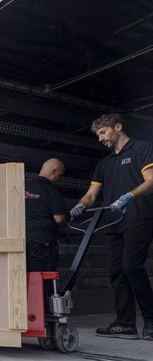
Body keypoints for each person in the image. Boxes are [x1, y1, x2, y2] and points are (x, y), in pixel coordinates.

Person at [70, 113, 153, 341]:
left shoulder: (141, 149)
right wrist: (79, 206)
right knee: (116, 272)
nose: (100, 138)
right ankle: (125, 324)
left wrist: (129, 196)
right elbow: (91, 195)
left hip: (138, 216)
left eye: (103, 132)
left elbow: (151, 179)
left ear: (118, 127)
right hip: (112, 222)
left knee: (131, 266)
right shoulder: (104, 164)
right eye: (98, 135)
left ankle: (151, 320)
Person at [25, 158, 68, 272]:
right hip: (42, 242)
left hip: (22, 241)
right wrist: (65, 229)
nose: (58, 179)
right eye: (59, 175)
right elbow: (59, 218)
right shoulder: (52, 190)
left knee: (23, 277)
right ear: (54, 171)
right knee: (41, 279)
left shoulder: (23, 187)